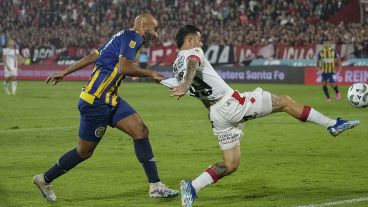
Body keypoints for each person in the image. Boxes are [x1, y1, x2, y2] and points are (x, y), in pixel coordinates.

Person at [168, 25, 360, 207]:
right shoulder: (194, 53)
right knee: (285, 101)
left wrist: (184, 84)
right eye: (199, 40)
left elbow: (193, 83)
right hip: (232, 104)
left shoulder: (176, 66)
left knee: (231, 164)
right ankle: (331, 124)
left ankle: (192, 186)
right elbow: (194, 62)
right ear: (191, 39)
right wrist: (186, 84)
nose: (201, 44)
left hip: (216, 114)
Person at [32, 13, 179, 202]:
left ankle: (156, 186)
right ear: (143, 24)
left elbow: (93, 56)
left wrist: (65, 72)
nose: (157, 34)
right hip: (96, 101)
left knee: (140, 131)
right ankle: (44, 179)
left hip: (110, 99)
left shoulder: (121, 36)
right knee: (84, 152)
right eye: (155, 29)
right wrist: (151, 73)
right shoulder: (132, 37)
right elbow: (124, 68)